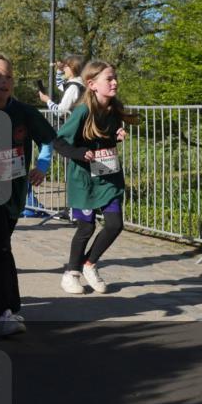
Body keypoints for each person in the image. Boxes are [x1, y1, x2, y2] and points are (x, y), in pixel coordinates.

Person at [0, 53, 89, 335]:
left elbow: (47, 141)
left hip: (16, 189)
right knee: (1, 245)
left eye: (8, 76)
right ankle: (7, 311)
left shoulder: (24, 111)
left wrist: (41, 167)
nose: (4, 81)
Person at [58, 60, 135, 295]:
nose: (115, 82)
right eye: (109, 79)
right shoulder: (83, 111)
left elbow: (104, 138)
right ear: (92, 84)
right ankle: (71, 273)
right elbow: (59, 141)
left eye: (115, 77)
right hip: (85, 180)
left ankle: (89, 264)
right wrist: (80, 153)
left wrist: (116, 135)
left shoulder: (113, 108)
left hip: (108, 174)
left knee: (115, 224)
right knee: (86, 228)